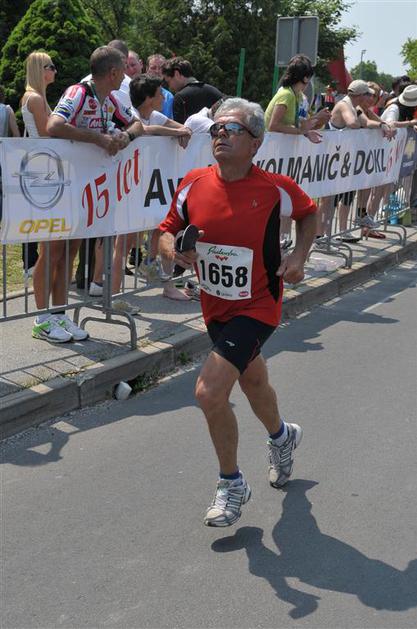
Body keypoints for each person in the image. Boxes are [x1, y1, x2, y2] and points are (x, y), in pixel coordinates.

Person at [159, 97, 317, 527]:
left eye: (231, 129)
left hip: (259, 304)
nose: (220, 135)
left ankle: (231, 484)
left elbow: (309, 214)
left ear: (255, 143)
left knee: (209, 392)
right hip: (215, 306)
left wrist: (299, 256)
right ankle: (283, 437)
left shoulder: (274, 188)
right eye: (216, 129)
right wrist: (174, 251)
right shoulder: (193, 183)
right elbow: (166, 231)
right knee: (253, 380)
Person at [47, 46, 145, 318]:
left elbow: (137, 124)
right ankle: (45, 318)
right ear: (113, 72)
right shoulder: (78, 92)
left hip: (85, 188)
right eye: (123, 71)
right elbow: (53, 126)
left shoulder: (110, 99)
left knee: (71, 253)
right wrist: (97, 138)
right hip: (63, 184)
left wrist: (126, 137)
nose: (125, 77)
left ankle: (59, 315)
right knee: (55, 254)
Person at [265, 55, 329, 248]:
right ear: (305, 77)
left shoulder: (298, 96)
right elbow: (274, 125)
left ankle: (282, 239)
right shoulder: (286, 95)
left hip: (284, 155)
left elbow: (300, 124)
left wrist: (314, 122)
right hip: (274, 154)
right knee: (275, 198)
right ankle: (272, 241)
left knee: (286, 197)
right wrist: (303, 131)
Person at [162, 57, 223, 124]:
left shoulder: (180, 98)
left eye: (168, 82)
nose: (170, 87)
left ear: (176, 74)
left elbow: (180, 128)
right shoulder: (214, 91)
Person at [146, 54, 174, 118]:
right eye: (153, 68)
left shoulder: (169, 97)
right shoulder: (138, 92)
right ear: (147, 69)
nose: (157, 71)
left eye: (161, 68)